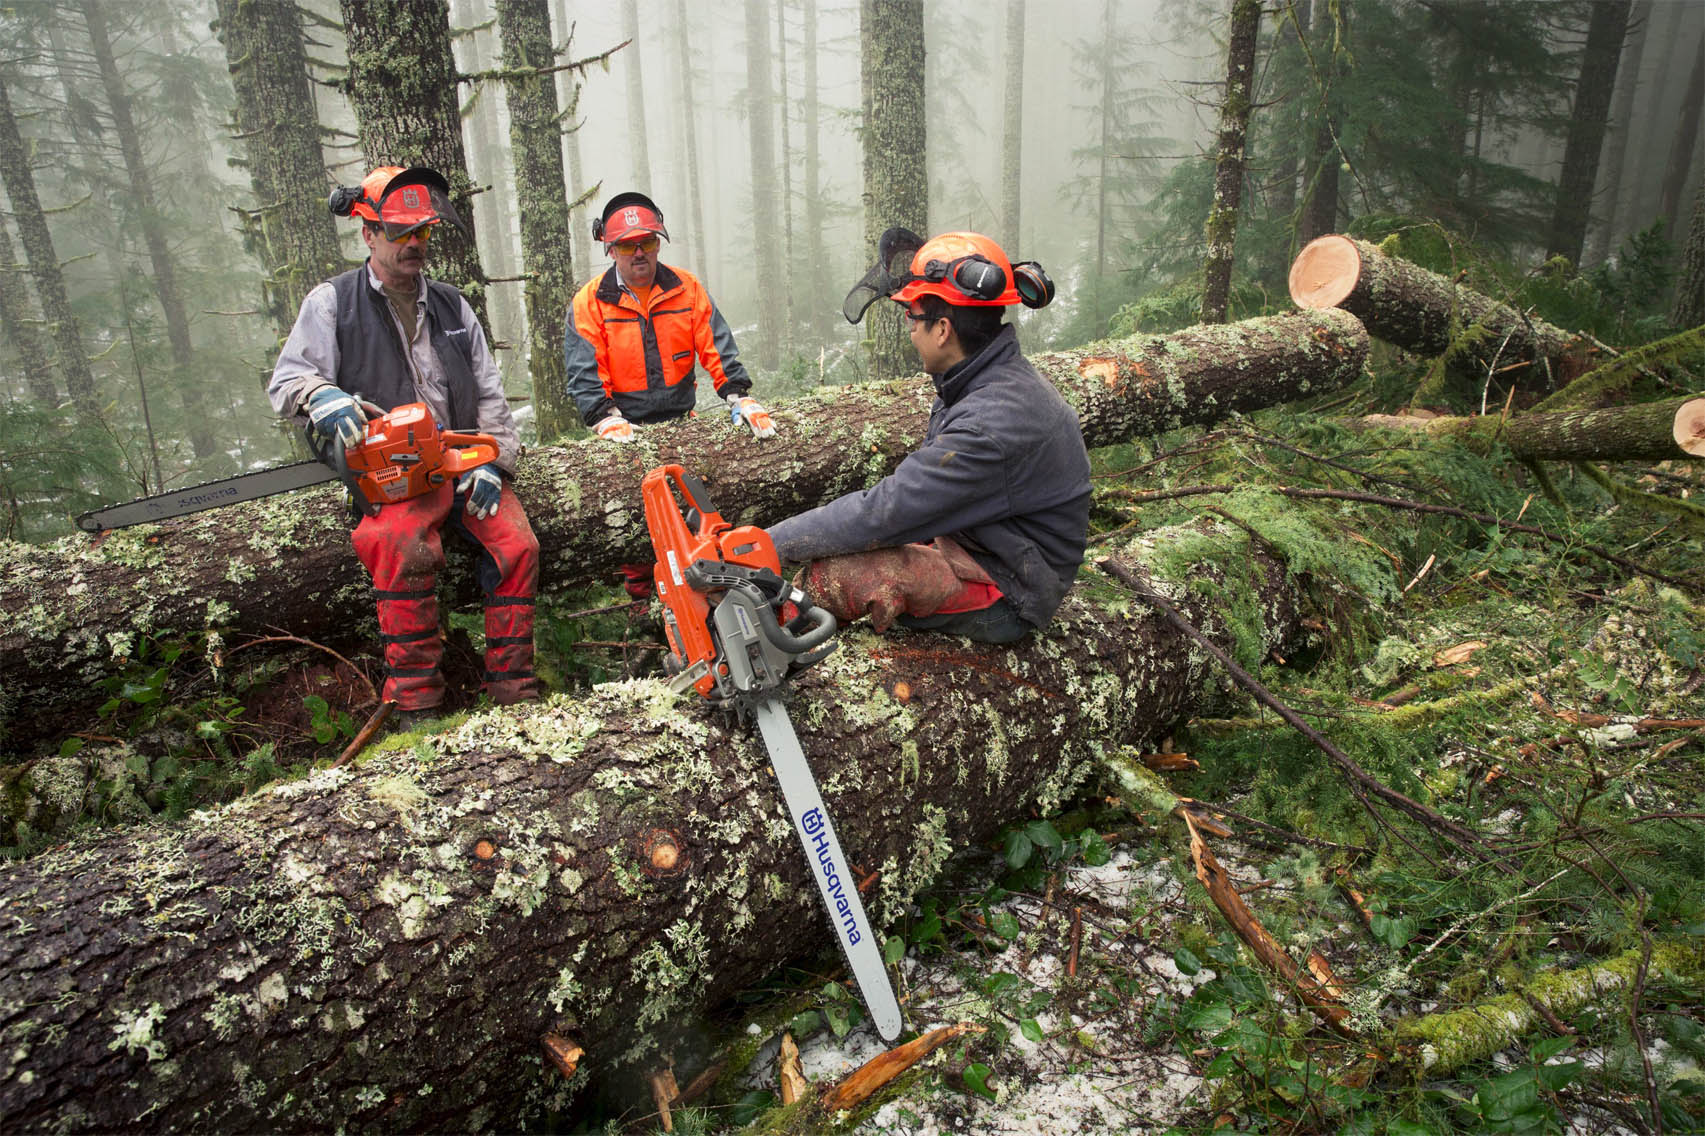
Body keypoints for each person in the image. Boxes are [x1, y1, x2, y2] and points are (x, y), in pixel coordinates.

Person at [268, 165, 541, 720]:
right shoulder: (331, 304)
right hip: (392, 475)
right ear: (368, 233)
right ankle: (418, 703)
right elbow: (286, 381)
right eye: (400, 233)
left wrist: (494, 459)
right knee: (398, 546)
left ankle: (515, 698)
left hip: (458, 458)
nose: (414, 244)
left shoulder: (451, 304)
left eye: (422, 233)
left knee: (518, 547)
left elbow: (489, 391)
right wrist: (321, 394)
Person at [764, 229, 1089, 644]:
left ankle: (777, 658)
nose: (910, 329)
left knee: (834, 577)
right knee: (840, 552)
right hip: (994, 544)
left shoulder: (990, 421)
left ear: (942, 329)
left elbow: (889, 510)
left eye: (912, 316)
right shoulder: (977, 380)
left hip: (1013, 587)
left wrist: (767, 544)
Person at [563, 190, 776, 443]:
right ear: (611, 250)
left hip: (682, 421)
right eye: (628, 245)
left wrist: (739, 396)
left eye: (648, 242)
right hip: (623, 426)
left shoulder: (687, 289)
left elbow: (717, 349)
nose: (639, 253)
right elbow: (585, 373)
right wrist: (604, 417)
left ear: (658, 244)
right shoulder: (589, 303)